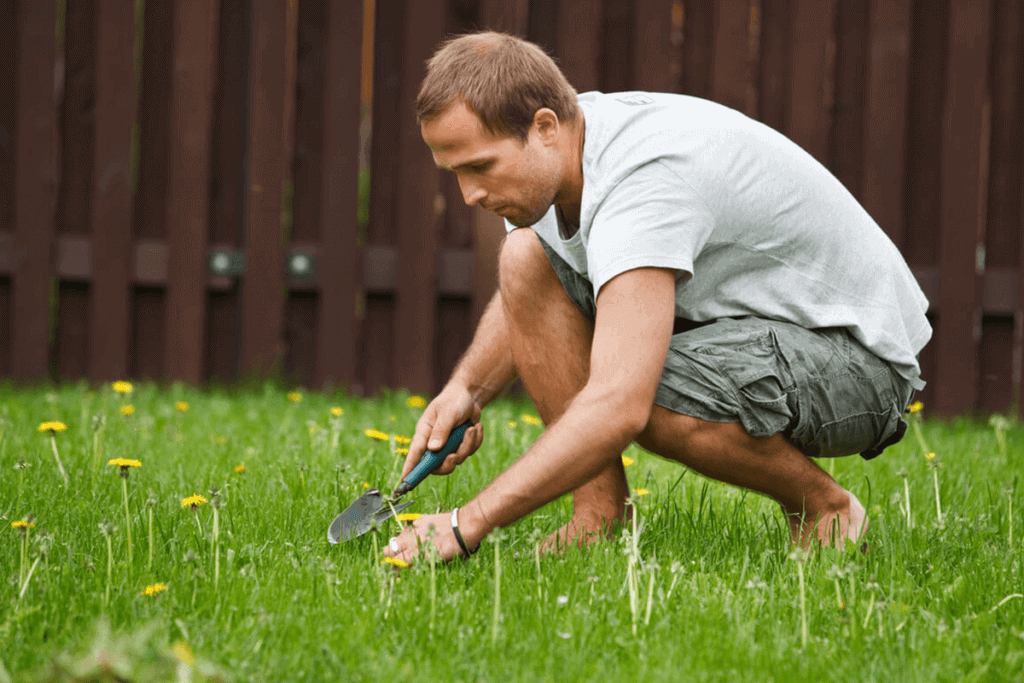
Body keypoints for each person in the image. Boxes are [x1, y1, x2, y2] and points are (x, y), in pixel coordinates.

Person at [382, 31, 930, 565]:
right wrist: (467, 389)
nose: (470, 194)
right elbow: (537, 282)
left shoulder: (643, 183)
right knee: (525, 257)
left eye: (480, 166)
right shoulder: (564, 155)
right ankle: (599, 517)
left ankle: (826, 510)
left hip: (858, 362)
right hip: (748, 327)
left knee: (651, 393)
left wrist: (465, 524)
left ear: (544, 126)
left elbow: (619, 404)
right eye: (455, 172)